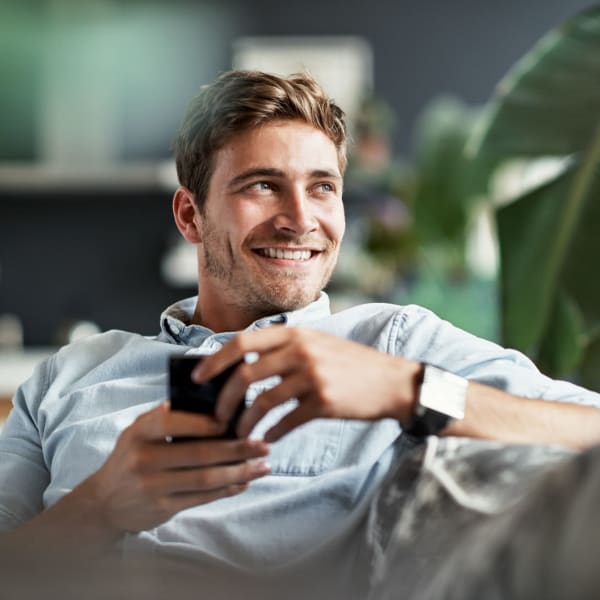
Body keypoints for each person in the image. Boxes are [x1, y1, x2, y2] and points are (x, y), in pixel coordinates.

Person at [1, 70, 600, 598]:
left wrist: (412, 389)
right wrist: (101, 507)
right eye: (262, 185)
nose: (299, 219)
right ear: (190, 215)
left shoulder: (390, 344)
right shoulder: (67, 376)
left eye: (322, 187)